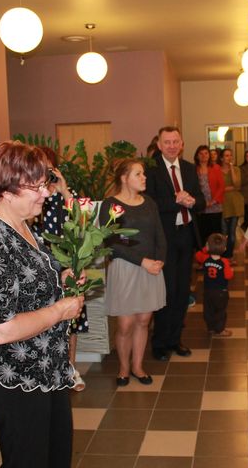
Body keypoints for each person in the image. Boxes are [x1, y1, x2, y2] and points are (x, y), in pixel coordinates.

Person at [0, 141, 84, 468]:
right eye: (37, 186)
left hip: (45, 368)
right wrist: (59, 310)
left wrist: (63, 277)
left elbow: (29, 279)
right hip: (14, 376)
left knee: (56, 456)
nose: (46, 193)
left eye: (45, 184)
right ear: (7, 189)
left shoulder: (23, 225)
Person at [99, 159, 166, 386]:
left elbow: (159, 234)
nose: (144, 177)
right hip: (125, 268)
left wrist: (160, 260)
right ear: (124, 178)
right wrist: (142, 261)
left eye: (143, 173)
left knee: (144, 320)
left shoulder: (149, 202)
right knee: (125, 324)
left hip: (151, 267)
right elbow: (111, 241)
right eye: (138, 174)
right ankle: (123, 368)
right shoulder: (110, 204)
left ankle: (137, 366)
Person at [29, 145, 87, 391]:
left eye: (49, 168)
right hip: (40, 261)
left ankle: (69, 369)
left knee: (70, 318)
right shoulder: (30, 194)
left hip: (66, 260)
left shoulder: (63, 193)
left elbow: (82, 221)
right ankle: (48, 370)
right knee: (45, 316)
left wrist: (64, 190)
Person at [145, 126, 205, 361]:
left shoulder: (189, 168)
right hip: (164, 239)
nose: (171, 146)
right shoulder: (151, 169)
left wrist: (192, 201)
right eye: (167, 142)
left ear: (182, 144)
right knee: (167, 291)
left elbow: (201, 201)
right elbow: (149, 203)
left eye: (175, 142)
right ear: (159, 145)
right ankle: (159, 342)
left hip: (187, 236)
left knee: (182, 291)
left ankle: (175, 339)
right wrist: (176, 200)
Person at [194, 233, 233, 337]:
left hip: (208, 290)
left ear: (207, 246)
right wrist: (231, 271)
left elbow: (197, 255)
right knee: (220, 311)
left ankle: (210, 327)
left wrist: (205, 249)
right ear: (224, 248)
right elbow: (228, 276)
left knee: (208, 310)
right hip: (221, 292)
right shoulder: (224, 262)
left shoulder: (204, 258)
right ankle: (220, 329)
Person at [194, 144, 224, 244]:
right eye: (201, 153)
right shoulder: (193, 169)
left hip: (215, 206)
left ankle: (216, 253)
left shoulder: (216, 168)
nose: (204, 156)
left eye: (206, 153)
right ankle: (203, 253)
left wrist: (212, 202)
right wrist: (202, 203)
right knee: (202, 235)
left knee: (215, 236)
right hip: (200, 207)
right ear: (197, 156)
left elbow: (221, 186)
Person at [218, 148, 243, 260]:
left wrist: (232, 168)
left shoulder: (236, 169)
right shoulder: (217, 170)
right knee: (224, 232)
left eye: (231, 155)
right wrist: (228, 188)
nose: (229, 157)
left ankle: (229, 256)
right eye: (227, 155)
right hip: (222, 204)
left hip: (234, 204)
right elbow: (218, 188)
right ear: (222, 158)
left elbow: (237, 185)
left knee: (232, 232)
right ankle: (223, 255)